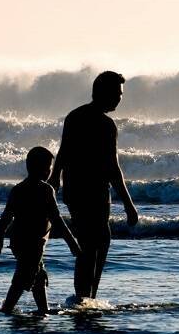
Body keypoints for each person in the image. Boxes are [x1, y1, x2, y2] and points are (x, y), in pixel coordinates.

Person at [50, 70, 139, 301]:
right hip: (90, 191)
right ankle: (85, 297)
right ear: (104, 92)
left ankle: (87, 296)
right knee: (93, 244)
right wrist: (129, 205)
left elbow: (63, 152)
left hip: (77, 190)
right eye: (117, 94)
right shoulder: (105, 125)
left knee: (96, 242)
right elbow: (113, 167)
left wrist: (55, 178)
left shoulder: (74, 116)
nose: (120, 99)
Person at [0, 146, 81, 315]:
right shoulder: (46, 190)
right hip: (32, 242)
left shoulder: (18, 189)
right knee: (24, 275)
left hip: (18, 241)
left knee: (37, 275)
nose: (50, 172)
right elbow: (57, 219)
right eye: (48, 168)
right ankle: (7, 308)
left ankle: (42, 309)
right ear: (38, 168)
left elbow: (6, 218)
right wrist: (72, 243)